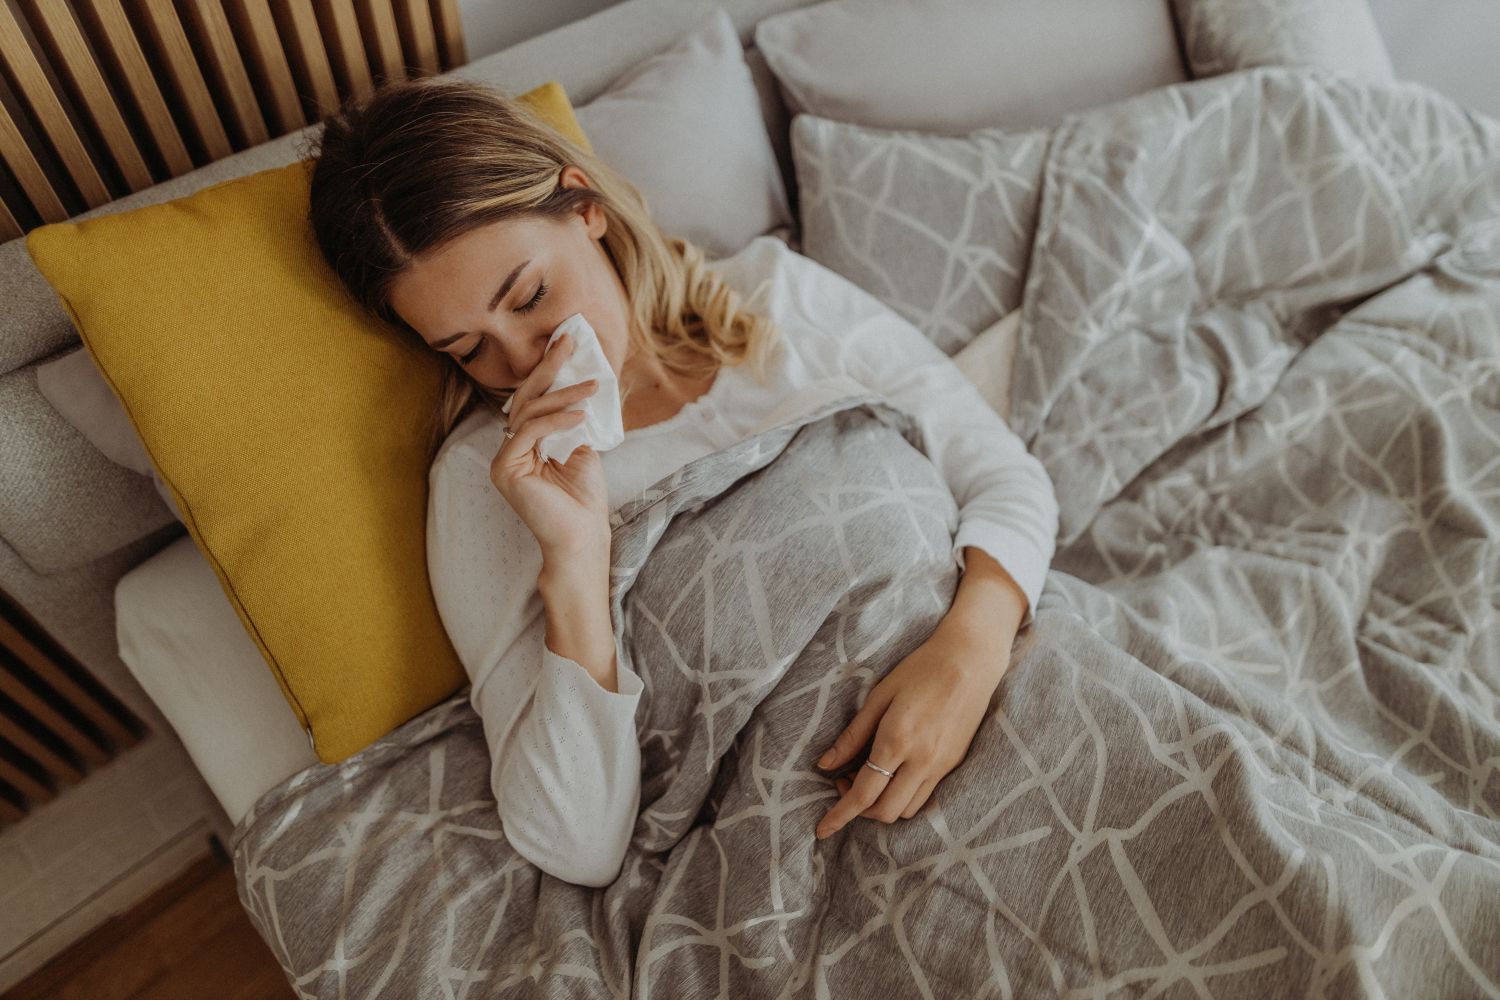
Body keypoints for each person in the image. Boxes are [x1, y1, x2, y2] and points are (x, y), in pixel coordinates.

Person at [304, 77, 1059, 888]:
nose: (523, 360)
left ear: (583, 207)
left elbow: (1003, 473)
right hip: (833, 845)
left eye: (530, 296)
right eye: (467, 348)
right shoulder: (485, 480)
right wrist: (575, 561)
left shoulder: (776, 295)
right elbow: (576, 844)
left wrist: (971, 651)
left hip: (1016, 682)